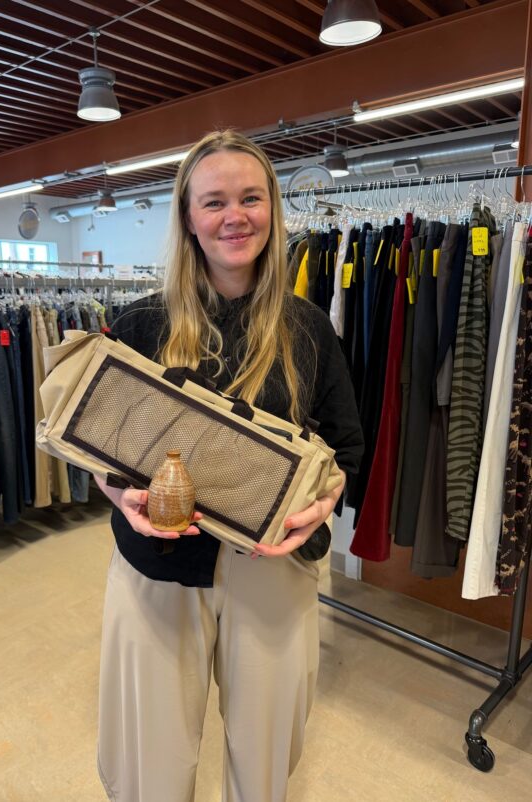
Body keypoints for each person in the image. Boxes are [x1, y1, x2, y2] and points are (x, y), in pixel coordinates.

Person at [94, 130, 363, 802]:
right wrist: (117, 494)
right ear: (187, 217)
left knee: (265, 765)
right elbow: (95, 447)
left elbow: (344, 447)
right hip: (156, 572)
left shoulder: (309, 330)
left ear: (272, 208)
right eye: (214, 201)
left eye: (250, 197)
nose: (234, 215)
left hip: (271, 572)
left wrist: (319, 507)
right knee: (149, 766)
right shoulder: (138, 325)